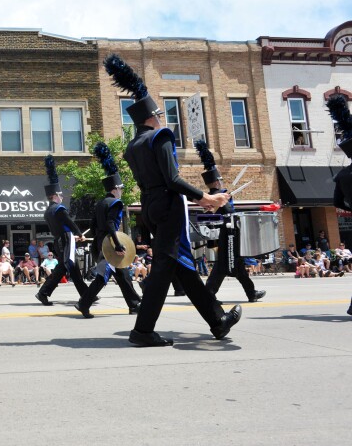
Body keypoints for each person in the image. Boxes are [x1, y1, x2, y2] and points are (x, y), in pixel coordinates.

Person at [105, 53, 241, 346]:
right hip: (167, 207)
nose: (162, 119)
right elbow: (172, 180)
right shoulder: (160, 136)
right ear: (152, 116)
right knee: (165, 267)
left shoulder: (133, 146)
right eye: (160, 115)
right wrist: (206, 197)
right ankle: (142, 331)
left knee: (184, 267)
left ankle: (217, 322)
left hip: (151, 206)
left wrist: (201, 199)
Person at [74, 142, 142, 318]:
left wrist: (96, 242)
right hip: (111, 243)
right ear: (115, 189)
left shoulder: (100, 203)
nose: (121, 192)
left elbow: (94, 225)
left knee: (123, 273)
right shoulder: (115, 203)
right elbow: (112, 224)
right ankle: (84, 302)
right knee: (103, 276)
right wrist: (118, 245)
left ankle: (134, 304)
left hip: (101, 241)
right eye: (120, 189)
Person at [195, 140, 266, 303]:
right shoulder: (218, 195)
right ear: (216, 182)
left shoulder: (213, 195)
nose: (221, 181)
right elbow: (229, 213)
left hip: (229, 234)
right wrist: (224, 201)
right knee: (222, 266)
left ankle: (251, 292)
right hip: (228, 235)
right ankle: (209, 294)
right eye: (219, 180)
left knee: (238, 266)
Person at [35, 156, 88, 307]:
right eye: (60, 194)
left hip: (59, 239)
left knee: (70, 267)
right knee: (67, 266)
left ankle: (85, 294)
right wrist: (79, 234)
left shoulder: (47, 211)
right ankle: (43, 292)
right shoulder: (59, 208)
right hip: (65, 239)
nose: (62, 196)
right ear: (54, 196)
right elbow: (69, 222)